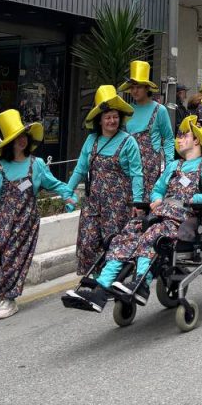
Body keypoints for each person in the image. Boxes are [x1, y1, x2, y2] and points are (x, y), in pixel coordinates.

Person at [64, 116, 202, 312]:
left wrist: (191, 200)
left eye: (184, 135)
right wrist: (156, 198)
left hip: (189, 219)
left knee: (152, 234)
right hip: (162, 216)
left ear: (197, 140)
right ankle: (101, 289)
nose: (179, 139)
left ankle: (141, 284)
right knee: (126, 235)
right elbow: (158, 189)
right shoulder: (174, 166)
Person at [0, 110, 76, 320]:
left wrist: (68, 196)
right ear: (9, 143)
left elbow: (53, 183)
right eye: (16, 138)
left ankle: (8, 299)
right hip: (1, 223)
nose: (21, 140)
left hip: (26, 223)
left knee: (13, 260)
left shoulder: (36, 165)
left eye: (23, 135)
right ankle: (1, 295)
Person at [66, 86, 145, 274]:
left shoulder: (128, 141)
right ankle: (92, 277)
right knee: (87, 241)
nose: (112, 120)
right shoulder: (91, 140)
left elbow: (137, 174)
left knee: (113, 242)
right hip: (93, 202)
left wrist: (138, 201)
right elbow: (80, 169)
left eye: (115, 116)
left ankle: (110, 279)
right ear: (99, 120)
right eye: (108, 117)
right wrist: (67, 191)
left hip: (118, 204)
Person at [118, 60, 174, 200]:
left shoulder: (159, 110)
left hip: (150, 169)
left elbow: (168, 139)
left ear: (147, 88)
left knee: (148, 206)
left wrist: (169, 165)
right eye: (132, 87)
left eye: (139, 87)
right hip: (128, 166)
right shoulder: (126, 111)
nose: (134, 91)